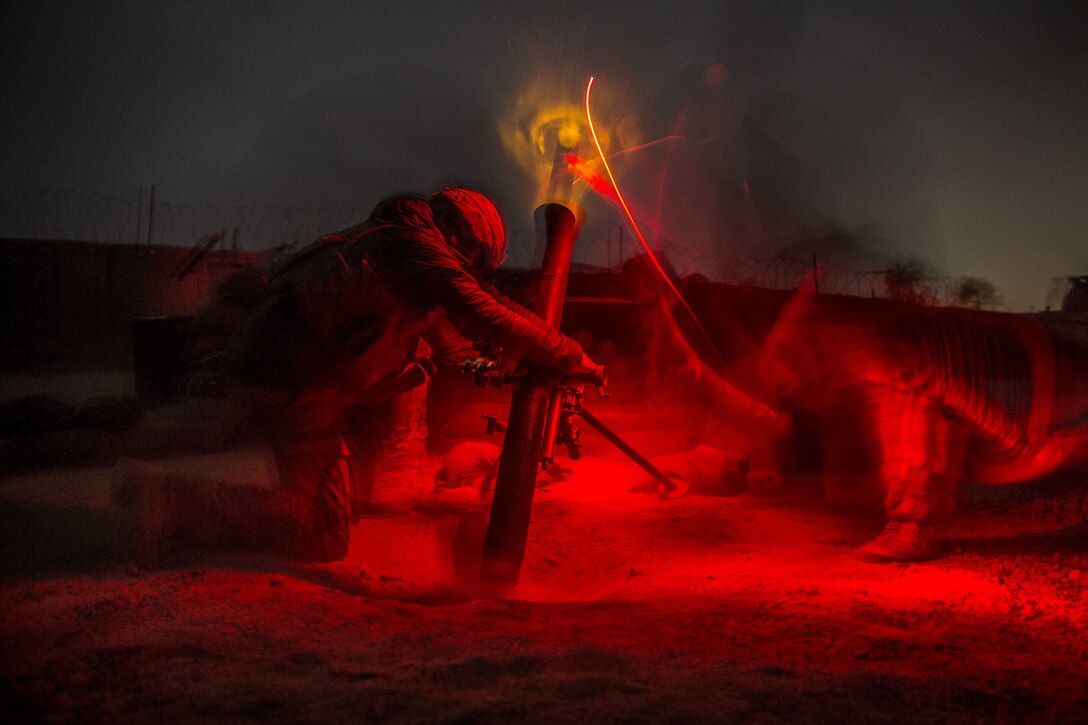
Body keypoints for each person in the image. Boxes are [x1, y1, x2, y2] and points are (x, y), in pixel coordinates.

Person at [114, 187, 595, 566]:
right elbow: (485, 312)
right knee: (322, 532)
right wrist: (575, 358)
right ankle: (172, 502)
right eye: (471, 256)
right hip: (294, 383)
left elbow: (457, 341)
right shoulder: (413, 249)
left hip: (288, 375)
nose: (468, 267)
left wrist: (488, 369)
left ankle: (171, 499)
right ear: (455, 228)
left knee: (317, 518)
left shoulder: (401, 250)